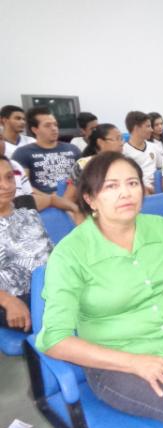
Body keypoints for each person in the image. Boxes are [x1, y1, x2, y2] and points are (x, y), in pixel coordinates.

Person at [35, 151, 163, 425]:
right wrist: (135, 363)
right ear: (89, 199)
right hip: (118, 362)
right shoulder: (70, 254)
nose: (126, 193)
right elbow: (54, 340)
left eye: (132, 183)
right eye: (111, 186)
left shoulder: (160, 228)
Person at [0, 155, 53, 332]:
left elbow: (48, 250)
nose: (6, 186)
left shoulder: (27, 209)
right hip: (17, 297)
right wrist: (8, 301)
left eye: (9, 177)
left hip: (56, 283)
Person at [12, 107, 81, 194]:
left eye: (55, 124)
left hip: (73, 195)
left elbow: (84, 177)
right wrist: (50, 199)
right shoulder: (22, 153)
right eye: (47, 125)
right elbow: (24, 185)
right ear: (35, 129)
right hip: (45, 201)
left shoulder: (73, 149)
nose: (54, 128)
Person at [64, 124, 124, 202]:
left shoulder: (124, 164)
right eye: (117, 139)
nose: (122, 143)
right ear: (101, 142)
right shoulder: (83, 165)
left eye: (121, 138)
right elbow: (69, 198)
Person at [122, 111, 161, 193]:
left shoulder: (153, 146)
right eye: (148, 126)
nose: (151, 130)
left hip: (158, 186)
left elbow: (162, 167)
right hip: (139, 190)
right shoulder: (124, 152)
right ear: (136, 128)